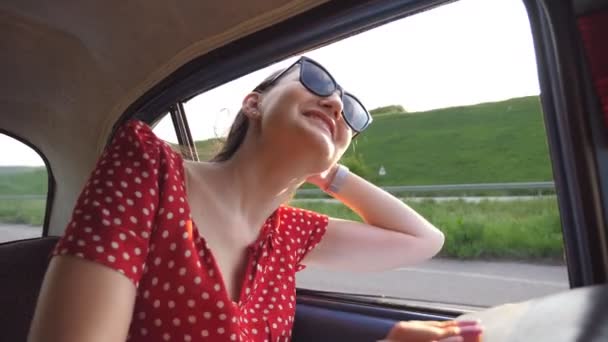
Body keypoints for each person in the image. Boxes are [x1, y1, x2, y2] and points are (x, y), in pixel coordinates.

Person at [28, 56, 482, 342]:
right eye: (317, 82)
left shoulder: (290, 234)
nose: (337, 106)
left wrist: (327, 170)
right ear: (253, 104)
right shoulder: (148, 168)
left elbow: (424, 239)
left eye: (349, 112)